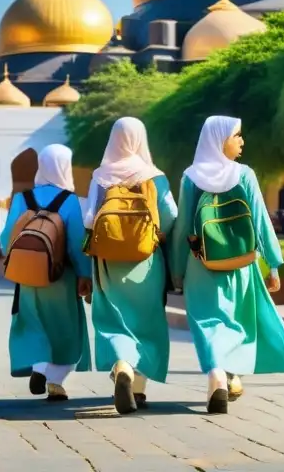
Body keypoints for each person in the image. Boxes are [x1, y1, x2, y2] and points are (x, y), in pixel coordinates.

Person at [170, 116, 284, 414]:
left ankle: (216, 375)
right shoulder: (244, 174)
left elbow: (182, 229)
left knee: (207, 323)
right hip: (241, 264)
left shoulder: (191, 176)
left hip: (200, 265)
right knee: (237, 322)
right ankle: (230, 376)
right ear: (220, 140)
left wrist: (176, 270)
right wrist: (273, 264)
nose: (242, 142)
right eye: (237, 136)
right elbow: (260, 220)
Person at [84, 117, 177, 415]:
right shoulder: (153, 176)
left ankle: (121, 365)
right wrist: (156, 234)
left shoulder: (101, 176)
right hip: (146, 260)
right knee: (147, 323)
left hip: (108, 259)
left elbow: (89, 219)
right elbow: (171, 214)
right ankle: (138, 387)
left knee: (114, 319)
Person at [1, 144, 92, 401]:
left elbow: (6, 237)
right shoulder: (69, 200)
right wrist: (85, 275)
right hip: (60, 277)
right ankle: (55, 382)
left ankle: (39, 368)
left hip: (28, 276)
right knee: (63, 328)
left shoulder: (22, 198)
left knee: (33, 323)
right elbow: (76, 242)